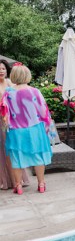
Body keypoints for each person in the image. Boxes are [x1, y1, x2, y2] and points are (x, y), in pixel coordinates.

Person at [0, 64, 52, 195]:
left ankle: (18, 186)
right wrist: (48, 128)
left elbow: (4, 114)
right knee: (38, 155)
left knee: (17, 158)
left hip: (16, 131)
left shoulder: (8, 93)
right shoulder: (35, 91)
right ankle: (41, 184)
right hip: (35, 129)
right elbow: (43, 111)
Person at [0, 60, 30, 190]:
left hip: (11, 122)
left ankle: (18, 180)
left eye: (3, 69)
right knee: (2, 151)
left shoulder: (12, 84)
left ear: (7, 71)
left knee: (13, 149)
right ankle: (5, 180)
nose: (1, 71)